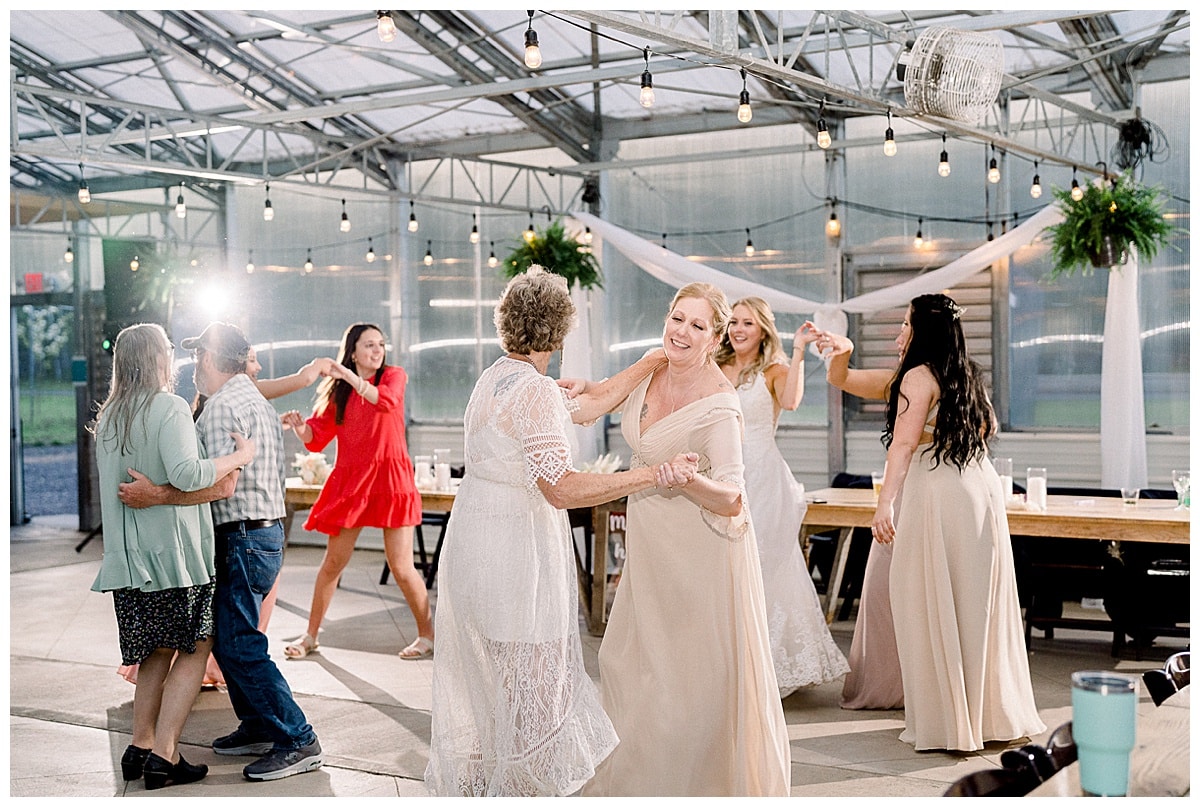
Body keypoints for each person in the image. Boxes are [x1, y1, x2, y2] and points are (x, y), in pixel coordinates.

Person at [424, 265, 696, 796]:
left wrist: (646, 364)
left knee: (501, 690)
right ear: (559, 329)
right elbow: (561, 489)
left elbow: (585, 407)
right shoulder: (535, 391)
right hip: (514, 555)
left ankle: (499, 786)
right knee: (537, 691)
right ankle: (530, 790)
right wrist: (649, 474)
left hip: (476, 545)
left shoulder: (496, 379)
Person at [581, 282, 790, 796]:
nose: (682, 331)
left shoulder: (720, 404)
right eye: (678, 318)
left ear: (714, 336)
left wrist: (687, 479)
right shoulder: (652, 367)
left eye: (697, 325)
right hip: (652, 542)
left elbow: (734, 498)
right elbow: (594, 398)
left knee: (686, 678)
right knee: (631, 663)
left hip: (701, 548)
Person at [814, 294, 1045, 751]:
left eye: (905, 324)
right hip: (978, 492)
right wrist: (940, 433)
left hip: (939, 492)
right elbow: (988, 428)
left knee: (927, 597)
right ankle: (985, 717)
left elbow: (900, 448)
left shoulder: (917, 378)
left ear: (923, 331)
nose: (899, 334)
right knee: (972, 604)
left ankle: (946, 723)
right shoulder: (964, 376)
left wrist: (885, 504)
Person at [89, 323, 255, 789]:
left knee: (154, 654)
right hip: (174, 558)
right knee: (194, 648)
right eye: (167, 350)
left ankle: (139, 745)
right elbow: (187, 473)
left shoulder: (111, 416)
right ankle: (164, 754)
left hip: (129, 562)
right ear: (156, 359)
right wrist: (240, 457)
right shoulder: (169, 406)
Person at [117, 346, 334, 688]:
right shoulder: (221, 405)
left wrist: (156, 495)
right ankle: (262, 723)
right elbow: (301, 380)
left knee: (237, 641)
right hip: (242, 533)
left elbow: (224, 485)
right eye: (251, 360)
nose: (258, 367)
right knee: (236, 640)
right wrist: (314, 368)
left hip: (243, 532)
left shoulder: (229, 402)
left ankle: (285, 729)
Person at [715, 297, 850, 697]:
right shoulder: (717, 367)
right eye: (733, 322)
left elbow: (790, 402)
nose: (738, 329)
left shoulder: (774, 370)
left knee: (767, 565)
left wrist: (798, 349)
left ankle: (770, 663)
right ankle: (731, 660)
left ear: (762, 332)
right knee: (726, 568)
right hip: (723, 473)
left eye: (747, 324)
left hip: (764, 479)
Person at [280, 323, 432, 660]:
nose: (378, 351)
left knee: (401, 567)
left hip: (391, 480)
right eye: (369, 345)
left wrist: (347, 377)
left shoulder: (394, 375)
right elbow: (318, 437)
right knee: (332, 562)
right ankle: (311, 636)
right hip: (353, 482)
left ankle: (427, 635)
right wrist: (301, 426)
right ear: (353, 352)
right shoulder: (340, 392)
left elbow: (386, 401)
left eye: (380, 344)